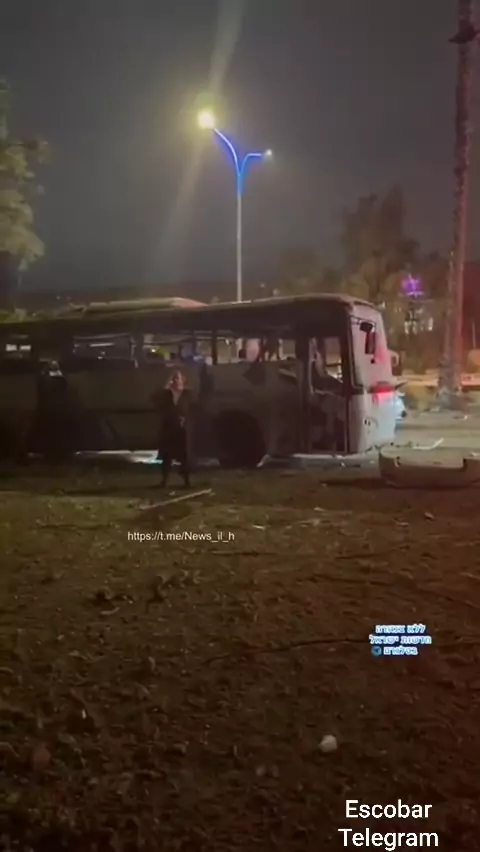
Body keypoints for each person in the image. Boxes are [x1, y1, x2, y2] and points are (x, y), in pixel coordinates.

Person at [155, 369, 192, 488]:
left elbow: (191, 408)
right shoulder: (166, 394)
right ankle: (164, 480)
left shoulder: (187, 394)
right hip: (169, 429)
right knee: (167, 456)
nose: (176, 381)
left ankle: (186, 480)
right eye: (174, 378)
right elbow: (159, 404)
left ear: (183, 380)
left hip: (181, 430)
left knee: (184, 456)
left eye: (178, 378)